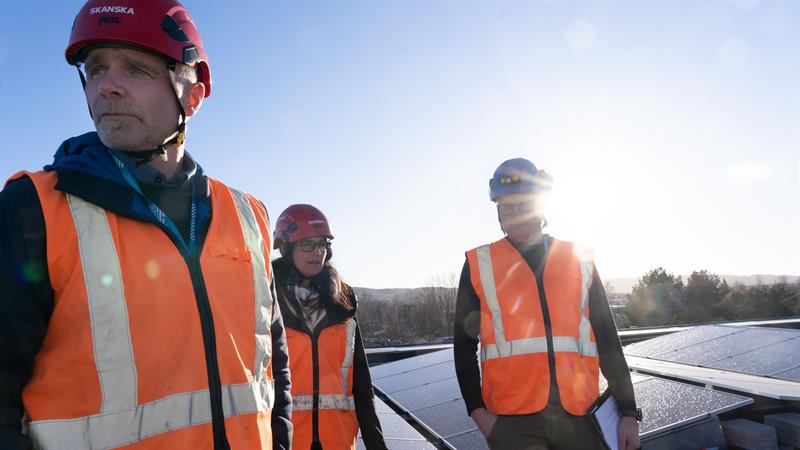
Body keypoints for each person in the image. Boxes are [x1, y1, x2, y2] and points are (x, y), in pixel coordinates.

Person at [0, 1, 292, 449]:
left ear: (191, 96)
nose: (107, 87)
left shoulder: (248, 215)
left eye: (136, 69)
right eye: (96, 70)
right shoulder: (32, 210)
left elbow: (274, 368)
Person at [453, 158, 642, 450]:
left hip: (579, 414)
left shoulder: (579, 259)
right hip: (512, 421)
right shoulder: (479, 264)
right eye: (505, 207)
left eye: (523, 204)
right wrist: (478, 413)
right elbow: (463, 346)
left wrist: (628, 412)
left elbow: (606, 338)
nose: (514, 214)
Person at [271, 204, 388, 450]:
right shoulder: (267, 305)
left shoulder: (342, 304)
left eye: (323, 244)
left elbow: (362, 388)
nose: (318, 252)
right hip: (287, 444)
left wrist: (377, 446)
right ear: (286, 247)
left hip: (339, 442)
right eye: (307, 244)